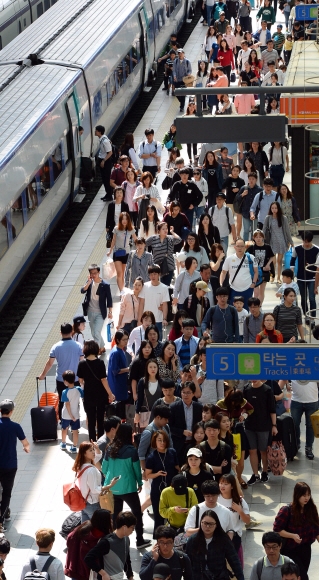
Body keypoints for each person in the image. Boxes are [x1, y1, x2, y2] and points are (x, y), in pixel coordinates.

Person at [101, 423, 151, 549]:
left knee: (116, 514)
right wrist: (139, 483)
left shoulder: (109, 448)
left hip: (113, 487)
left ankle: (115, 540)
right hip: (129, 488)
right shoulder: (132, 451)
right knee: (137, 513)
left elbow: (104, 468)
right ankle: (139, 540)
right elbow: (136, 470)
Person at [273, 482, 319, 580]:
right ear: (297, 495)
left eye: (308, 495)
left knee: (300, 576)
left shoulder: (311, 509)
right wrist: (293, 535)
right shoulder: (287, 510)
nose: (306, 498)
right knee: (303, 577)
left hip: (306, 548)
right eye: (304, 495)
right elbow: (277, 530)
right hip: (290, 550)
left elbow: (317, 527)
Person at [38, 322, 83, 418]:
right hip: (75, 378)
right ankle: (74, 421)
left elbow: (50, 363)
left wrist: (42, 375)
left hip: (61, 379)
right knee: (75, 401)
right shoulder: (78, 346)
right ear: (72, 332)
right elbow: (82, 362)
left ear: (60, 333)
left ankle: (63, 422)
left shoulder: (56, 346)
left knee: (62, 400)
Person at [186, 510, 244, 580]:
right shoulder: (193, 540)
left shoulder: (223, 539)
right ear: (201, 523)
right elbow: (187, 563)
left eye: (211, 524)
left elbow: (234, 561)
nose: (207, 526)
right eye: (205, 523)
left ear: (216, 525)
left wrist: (241, 577)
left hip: (219, 577)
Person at [0, 399, 30, 533]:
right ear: (11, 412)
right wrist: (26, 448)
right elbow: (25, 443)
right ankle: (2, 518)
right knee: (6, 493)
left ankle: (5, 513)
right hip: (9, 465)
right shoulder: (15, 426)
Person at [77, 340, 114, 441]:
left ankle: (92, 441)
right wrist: (110, 394)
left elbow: (80, 380)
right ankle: (101, 440)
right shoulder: (100, 362)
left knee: (91, 418)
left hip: (88, 394)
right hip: (101, 394)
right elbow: (103, 380)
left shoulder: (82, 364)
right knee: (101, 418)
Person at [216, 389, 254, 488]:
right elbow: (214, 415)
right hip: (224, 433)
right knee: (227, 458)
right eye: (233, 401)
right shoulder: (220, 404)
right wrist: (224, 421)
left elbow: (251, 409)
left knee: (240, 458)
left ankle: (239, 477)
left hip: (238, 431)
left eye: (236, 402)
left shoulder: (243, 402)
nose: (234, 403)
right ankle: (229, 480)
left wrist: (244, 415)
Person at [72, 441, 116, 522]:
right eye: (90, 450)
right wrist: (110, 485)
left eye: (93, 450)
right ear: (84, 454)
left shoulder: (81, 465)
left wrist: (97, 448)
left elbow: (98, 456)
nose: (93, 452)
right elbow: (95, 489)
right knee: (98, 528)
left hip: (84, 502)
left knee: (85, 530)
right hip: (93, 504)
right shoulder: (91, 470)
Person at [145, 430, 180, 533]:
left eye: (164, 440)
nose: (162, 442)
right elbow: (148, 475)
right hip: (158, 488)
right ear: (155, 441)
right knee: (158, 516)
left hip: (171, 488)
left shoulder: (172, 452)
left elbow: (177, 468)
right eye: (159, 440)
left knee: (173, 514)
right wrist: (158, 474)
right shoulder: (151, 457)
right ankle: (158, 540)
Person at [244, 380, 277, 485]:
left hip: (264, 426)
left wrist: (274, 426)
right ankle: (255, 474)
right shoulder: (246, 388)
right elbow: (244, 407)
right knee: (252, 450)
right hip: (249, 425)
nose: (253, 379)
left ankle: (264, 472)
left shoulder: (267, 390)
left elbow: (272, 409)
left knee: (263, 450)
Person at [84, 511, 136, 578]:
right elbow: (88, 558)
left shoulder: (126, 539)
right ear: (124, 527)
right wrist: (103, 573)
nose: (133, 530)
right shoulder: (107, 542)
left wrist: (130, 577)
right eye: (132, 527)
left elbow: (127, 560)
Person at [279, 379, 319, 460]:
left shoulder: (314, 366)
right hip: (296, 401)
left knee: (310, 426)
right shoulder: (294, 366)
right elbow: (284, 375)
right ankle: (296, 445)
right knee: (294, 425)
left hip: (312, 400)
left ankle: (309, 448)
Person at [80, 264, 113, 354]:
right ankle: (102, 347)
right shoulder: (89, 283)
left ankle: (95, 351)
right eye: (91, 273)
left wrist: (110, 311)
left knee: (96, 332)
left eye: (95, 273)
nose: (93, 275)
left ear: (99, 272)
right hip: (90, 311)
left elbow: (109, 299)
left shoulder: (105, 285)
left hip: (100, 313)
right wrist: (89, 282)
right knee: (94, 332)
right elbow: (82, 290)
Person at [220, 237, 259, 309]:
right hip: (233, 289)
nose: (240, 248)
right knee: (234, 310)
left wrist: (253, 283)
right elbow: (223, 272)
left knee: (247, 309)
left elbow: (256, 272)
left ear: (245, 247)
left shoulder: (251, 257)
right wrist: (221, 284)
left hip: (248, 288)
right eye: (238, 246)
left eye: (242, 246)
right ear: (234, 247)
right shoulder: (229, 259)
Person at [169, 383, 203, 463]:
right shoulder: (174, 407)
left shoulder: (199, 407)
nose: (185, 395)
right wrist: (182, 432)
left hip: (194, 443)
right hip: (179, 444)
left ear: (193, 393)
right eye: (183, 392)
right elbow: (169, 427)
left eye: (188, 392)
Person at [292, 232, 319, 326]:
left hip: (312, 277)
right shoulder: (297, 248)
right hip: (300, 277)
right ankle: (306, 316)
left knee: (312, 298)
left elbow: (317, 267)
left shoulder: (316, 249)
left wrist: (317, 283)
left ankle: (312, 318)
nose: (306, 244)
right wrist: (292, 272)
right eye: (304, 241)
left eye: (308, 241)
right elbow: (292, 260)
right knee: (303, 298)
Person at [219, 473, 250, 553]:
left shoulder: (240, 501)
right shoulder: (216, 499)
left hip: (234, 536)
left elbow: (247, 521)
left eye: (226, 484)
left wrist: (240, 511)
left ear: (232, 486)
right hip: (218, 535)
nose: (222, 486)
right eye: (221, 483)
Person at [138, 405, 173, 474]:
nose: (167, 421)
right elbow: (141, 454)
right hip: (153, 468)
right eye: (165, 419)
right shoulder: (148, 432)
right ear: (158, 417)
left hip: (165, 465)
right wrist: (145, 471)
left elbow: (170, 446)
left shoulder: (166, 427)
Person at [107, 211, 137, 292]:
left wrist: (139, 249)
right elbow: (113, 240)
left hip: (126, 253)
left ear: (128, 220)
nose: (124, 221)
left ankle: (123, 290)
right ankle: (121, 291)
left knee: (123, 273)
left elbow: (135, 240)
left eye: (126, 219)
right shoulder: (116, 229)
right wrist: (110, 251)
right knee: (119, 273)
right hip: (117, 253)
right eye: (123, 219)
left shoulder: (131, 229)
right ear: (120, 220)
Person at [139, 265, 170, 340]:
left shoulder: (164, 288)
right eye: (151, 274)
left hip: (158, 320)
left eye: (155, 274)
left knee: (158, 341)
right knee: (145, 342)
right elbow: (141, 303)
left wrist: (164, 318)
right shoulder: (145, 286)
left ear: (159, 274)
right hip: (145, 320)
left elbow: (165, 304)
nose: (153, 276)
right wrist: (139, 320)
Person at [146, 222, 182, 287]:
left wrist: (172, 232)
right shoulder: (153, 238)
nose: (165, 230)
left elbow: (179, 240)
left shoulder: (170, 238)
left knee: (165, 286)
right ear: (159, 230)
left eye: (166, 228)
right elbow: (144, 244)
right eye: (163, 229)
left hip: (168, 266)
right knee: (156, 285)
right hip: (157, 266)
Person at [107, 330, 131, 419]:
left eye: (127, 339)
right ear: (118, 340)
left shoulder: (120, 350)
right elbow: (115, 370)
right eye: (124, 339)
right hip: (117, 386)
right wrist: (128, 369)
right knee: (119, 411)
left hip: (121, 384)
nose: (126, 341)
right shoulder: (116, 352)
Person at [247, 229, 275, 302]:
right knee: (256, 292)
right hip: (255, 272)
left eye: (260, 237)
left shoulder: (267, 247)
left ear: (263, 237)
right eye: (256, 237)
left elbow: (272, 256)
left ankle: (259, 306)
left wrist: (268, 265)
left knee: (261, 291)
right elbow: (246, 257)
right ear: (254, 238)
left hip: (264, 271)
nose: (258, 239)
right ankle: (255, 306)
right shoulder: (251, 248)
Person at [60, 370, 83, 453]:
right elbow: (83, 396)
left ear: (66, 381)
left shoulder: (65, 392)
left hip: (66, 414)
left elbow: (67, 405)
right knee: (75, 431)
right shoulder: (79, 389)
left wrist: (70, 415)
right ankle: (74, 446)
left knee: (64, 429)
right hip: (76, 414)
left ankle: (63, 443)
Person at [95, 125, 113, 202]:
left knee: (106, 179)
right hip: (103, 161)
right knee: (104, 179)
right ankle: (107, 193)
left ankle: (109, 195)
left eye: (96, 130)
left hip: (106, 162)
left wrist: (104, 161)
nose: (95, 132)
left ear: (99, 132)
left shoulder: (105, 141)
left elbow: (110, 152)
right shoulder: (102, 139)